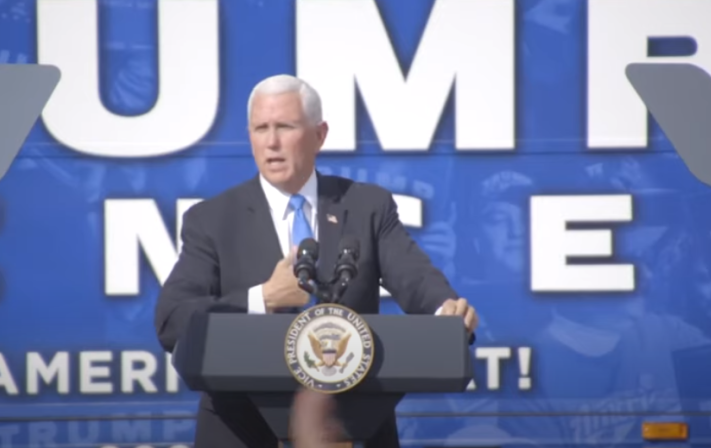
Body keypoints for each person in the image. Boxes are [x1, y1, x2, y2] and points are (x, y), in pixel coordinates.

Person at [154, 74, 478, 448]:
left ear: (319, 135)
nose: (271, 142)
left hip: (350, 426)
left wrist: (446, 313)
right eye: (261, 128)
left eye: (285, 127)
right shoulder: (212, 219)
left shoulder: (366, 206)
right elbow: (172, 320)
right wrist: (263, 297)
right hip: (242, 431)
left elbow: (415, 278)